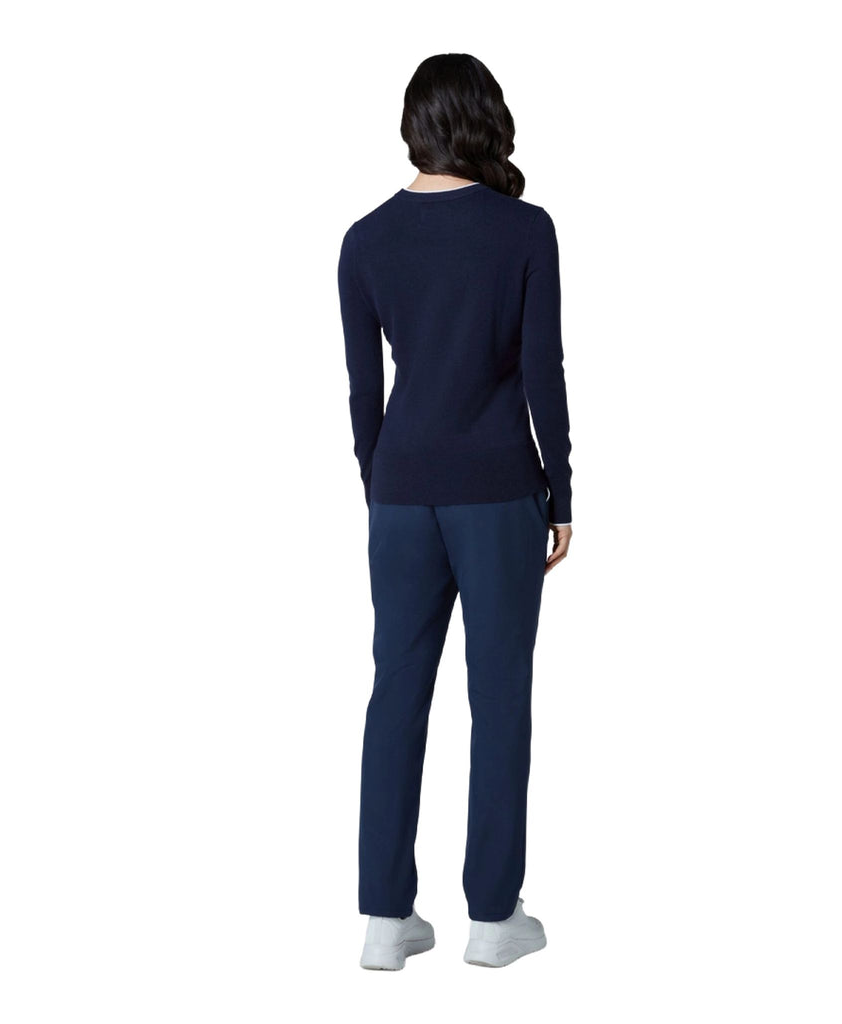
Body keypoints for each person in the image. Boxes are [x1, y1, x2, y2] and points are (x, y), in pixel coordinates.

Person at [337, 53, 574, 970]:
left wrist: (382, 483)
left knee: (395, 695)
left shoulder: (364, 239)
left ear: (414, 125)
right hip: (498, 490)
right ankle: (491, 920)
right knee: (499, 700)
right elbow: (543, 371)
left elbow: (364, 391)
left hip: (400, 495)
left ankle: (384, 922)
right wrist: (561, 492)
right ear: (486, 119)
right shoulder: (524, 230)